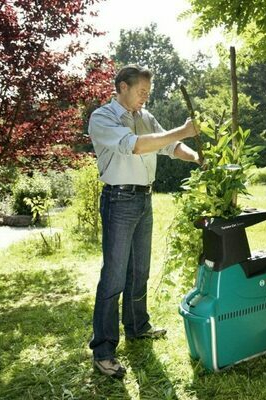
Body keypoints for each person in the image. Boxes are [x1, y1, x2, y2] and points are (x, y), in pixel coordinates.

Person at [87, 65, 199, 378]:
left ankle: (137, 327)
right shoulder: (103, 117)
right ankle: (104, 349)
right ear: (122, 86)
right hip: (119, 201)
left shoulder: (145, 117)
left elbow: (170, 145)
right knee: (114, 277)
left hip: (143, 199)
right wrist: (183, 129)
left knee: (140, 271)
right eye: (141, 92)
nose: (145, 98)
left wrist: (199, 157)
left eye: (148, 93)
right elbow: (136, 146)